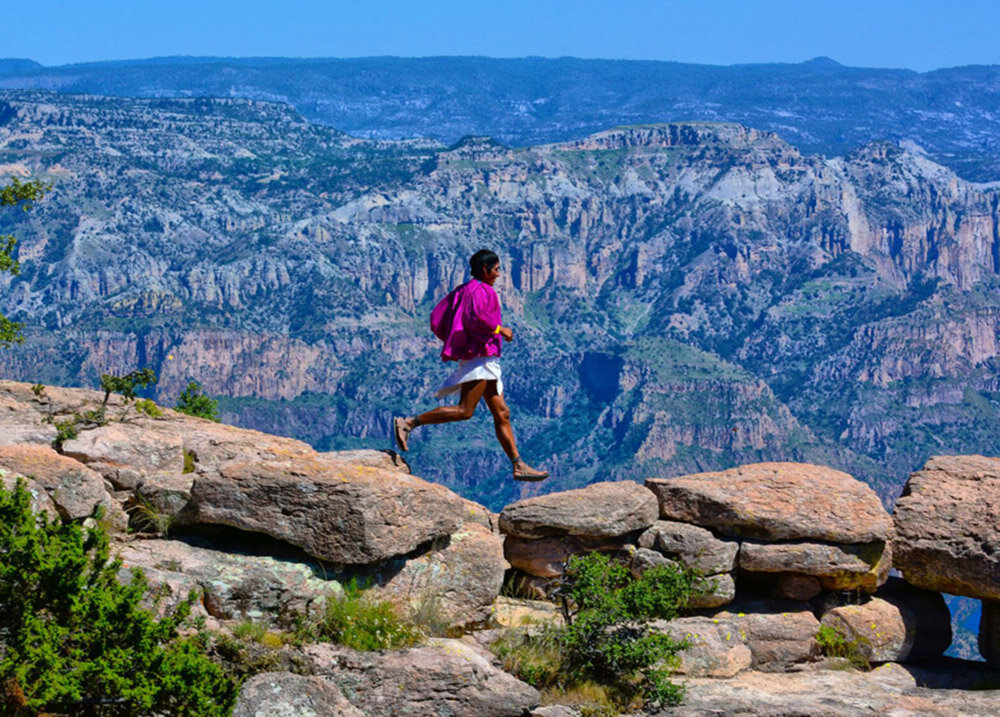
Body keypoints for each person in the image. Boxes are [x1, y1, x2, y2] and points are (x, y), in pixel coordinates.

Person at [393, 249, 549, 481]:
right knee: (464, 411)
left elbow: (438, 317)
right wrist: (500, 329)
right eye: (496, 269)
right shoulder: (480, 290)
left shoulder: (464, 289)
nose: (499, 274)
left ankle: (518, 465)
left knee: (502, 413)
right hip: (480, 357)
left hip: (484, 357)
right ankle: (409, 423)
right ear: (485, 269)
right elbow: (475, 318)